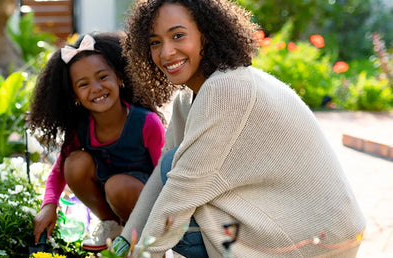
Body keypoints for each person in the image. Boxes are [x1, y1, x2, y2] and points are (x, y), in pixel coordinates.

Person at [112, 0, 366, 257]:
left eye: (178, 35)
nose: (166, 52)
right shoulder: (187, 99)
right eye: (155, 42)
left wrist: (141, 254)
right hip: (295, 225)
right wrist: (124, 244)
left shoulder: (227, 88)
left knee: (180, 202)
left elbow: (180, 191)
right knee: (171, 169)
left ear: (206, 35)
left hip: (315, 239)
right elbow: (161, 178)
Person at [28, 31, 166, 252]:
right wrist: (49, 205)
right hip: (111, 199)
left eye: (103, 77)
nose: (96, 88)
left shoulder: (146, 122)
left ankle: (140, 239)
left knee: (117, 186)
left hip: (147, 203)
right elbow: (59, 171)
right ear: (74, 95)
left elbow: (165, 173)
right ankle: (111, 225)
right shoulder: (81, 127)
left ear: (120, 77)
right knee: (73, 163)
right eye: (83, 84)